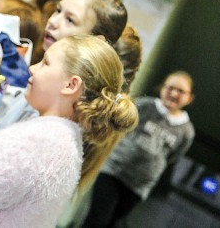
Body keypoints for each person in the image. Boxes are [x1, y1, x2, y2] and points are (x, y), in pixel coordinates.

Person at [0, 35, 139, 228]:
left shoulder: (32, 142)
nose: (33, 68)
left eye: (45, 63)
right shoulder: (66, 144)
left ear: (71, 85)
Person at [0, 0, 129, 137]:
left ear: (94, 42)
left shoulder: (61, 118)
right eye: (58, 10)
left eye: (70, 20)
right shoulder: (38, 79)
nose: (53, 21)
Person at [82, 71, 195, 227]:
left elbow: (174, 157)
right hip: (114, 171)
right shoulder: (143, 105)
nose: (174, 93)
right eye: (170, 87)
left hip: (138, 186)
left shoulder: (187, 131)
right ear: (162, 88)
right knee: (97, 220)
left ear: (189, 98)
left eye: (181, 91)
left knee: (112, 223)